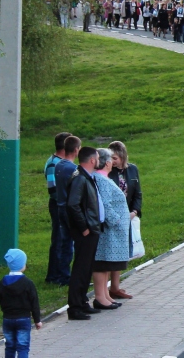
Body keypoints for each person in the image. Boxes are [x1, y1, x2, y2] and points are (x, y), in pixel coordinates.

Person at [65, 146, 103, 320]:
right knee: (81, 268)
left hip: (92, 229)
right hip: (85, 231)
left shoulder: (86, 177)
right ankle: (75, 307)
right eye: (97, 158)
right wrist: (84, 227)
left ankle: (82, 302)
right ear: (92, 160)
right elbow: (73, 205)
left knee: (87, 268)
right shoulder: (80, 178)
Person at [91, 148, 129, 310]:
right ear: (106, 162)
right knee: (101, 262)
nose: (113, 162)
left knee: (106, 263)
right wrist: (117, 221)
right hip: (108, 230)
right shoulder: (100, 178)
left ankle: (105, 294)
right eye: (111, 159)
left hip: (112, 230)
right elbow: (105, 204)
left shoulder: (104, 178)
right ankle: (100, 297)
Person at [107, 141, 141, 299]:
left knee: (122, 253)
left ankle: (115, 286)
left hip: (127, 215)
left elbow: (137, 193)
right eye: (110, 158)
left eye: (115, 158)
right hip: (112, 217)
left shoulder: (132, 169)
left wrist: (134, 211)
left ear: (122, 156)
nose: (112, 161)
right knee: (110, 252)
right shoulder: (107, 172)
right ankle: (105, 287)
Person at [0, 248, 42, 357]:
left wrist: (5, 309)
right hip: (23, 318)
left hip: (7, 318)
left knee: (10, 346)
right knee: (23, 347)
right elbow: (34, 302)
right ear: (23, 265)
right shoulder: (28, 283)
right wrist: (37, 320)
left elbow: (0, 298)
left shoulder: (3, 282)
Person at [52, 136, 80, 286]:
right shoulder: (73, 169)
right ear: (76, 150)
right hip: (70, 209)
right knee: (73, 244)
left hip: (60, 207)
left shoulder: (58, 166)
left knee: (65, 243)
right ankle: (71, 276)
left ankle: (63, 275)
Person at [43, 132, 70, 284]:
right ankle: (54, 276)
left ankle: (59, 273)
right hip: (58, 205)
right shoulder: (54, 163)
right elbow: (53, 189)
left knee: (62, 238)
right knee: (59, 239)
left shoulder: (59, 161)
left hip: (61, 203)